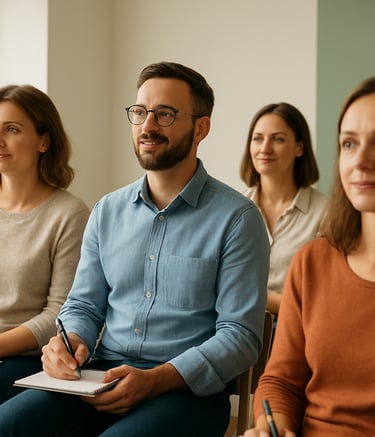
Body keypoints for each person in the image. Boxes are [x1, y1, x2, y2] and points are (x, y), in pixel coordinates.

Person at [0, 62, 270, 437]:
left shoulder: (238, 218)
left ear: (201, 127)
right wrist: (68, 342)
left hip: (186, 393)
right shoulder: (107, 211)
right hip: (98, 377)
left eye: (165, 114)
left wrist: (157, 379)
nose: (148, 126)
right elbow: (82, 306)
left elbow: (240, 337)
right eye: (140, 112)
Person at [240, 76, 375, 436]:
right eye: (349, 143)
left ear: (300, 148)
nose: (361, 160)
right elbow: (281, 381)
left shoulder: (320, 212)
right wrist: (274, 426)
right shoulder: (313, 262)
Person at [0, 85, 90, 403]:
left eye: (11, 129)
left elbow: (59, 315)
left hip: (25, 360)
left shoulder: (69, 214)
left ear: (43, 140)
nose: (0, 140)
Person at [240, 103, 326, 315]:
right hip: (238, 330)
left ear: (300, 148)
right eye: (258, 138)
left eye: (278, 139)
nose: (265, 148)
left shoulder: (327, 212)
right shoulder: (234, 210)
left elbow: (323, 295)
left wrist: (255, 298)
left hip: (300, 330)